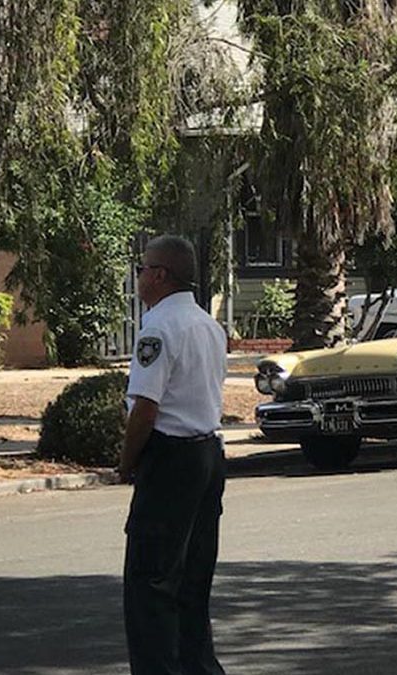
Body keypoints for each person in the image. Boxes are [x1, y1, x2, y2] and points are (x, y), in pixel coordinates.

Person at [119, 235, 228, 675]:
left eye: (143, 269)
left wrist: (127, 462)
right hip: (207, 456)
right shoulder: (208, 326)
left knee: (151, 584)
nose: (139, 276)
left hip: (170, 459)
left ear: (160, 274)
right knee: (192, 582)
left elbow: (146, 409)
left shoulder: (158, 328)